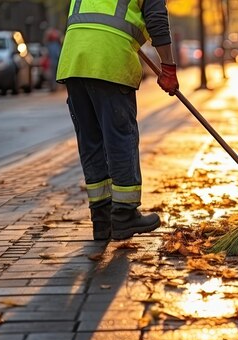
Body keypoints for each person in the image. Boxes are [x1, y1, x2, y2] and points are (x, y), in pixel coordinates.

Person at [56, 0, 179, 240]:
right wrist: (169, 67)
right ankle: (124, 216)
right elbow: (156, 20)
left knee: (91, 142)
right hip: (108, 60)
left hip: (74, 59)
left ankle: (102, 221)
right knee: (120, 140)